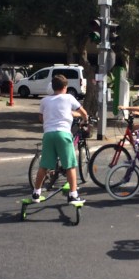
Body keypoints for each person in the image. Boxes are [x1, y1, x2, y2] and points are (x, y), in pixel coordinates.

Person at [32, 74, 88, 203]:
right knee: (70, 165)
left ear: (52, 87)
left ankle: (36, 193)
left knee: (44, 165)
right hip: (63, 134)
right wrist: (85, 121)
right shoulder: (69, 97)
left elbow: (41, 118)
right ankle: (73, 195)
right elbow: (83, 112)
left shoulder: (44, 100)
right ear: (65, 87)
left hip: (48, 135)